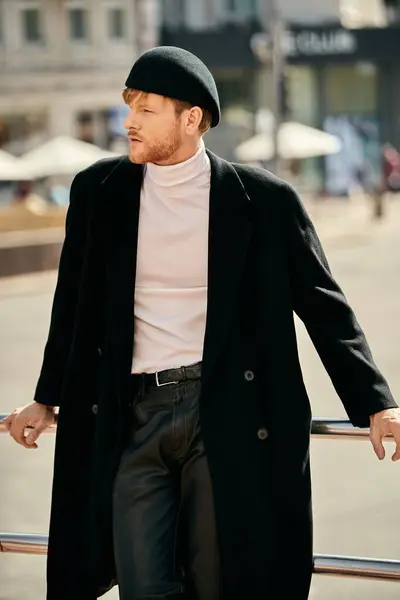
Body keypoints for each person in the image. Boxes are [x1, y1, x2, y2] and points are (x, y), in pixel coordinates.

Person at [2, 47, 400, 600]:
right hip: (129, 414)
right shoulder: (99, 192)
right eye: (128, 106)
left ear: (191, 119)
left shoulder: (263, 200)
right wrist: (46, 399)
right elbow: (72, 306)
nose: (129, 122)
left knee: (221, 582)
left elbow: (325, 306)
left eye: (146, 109)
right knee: (143, 584)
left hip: (223, 414)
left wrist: (376, 402)